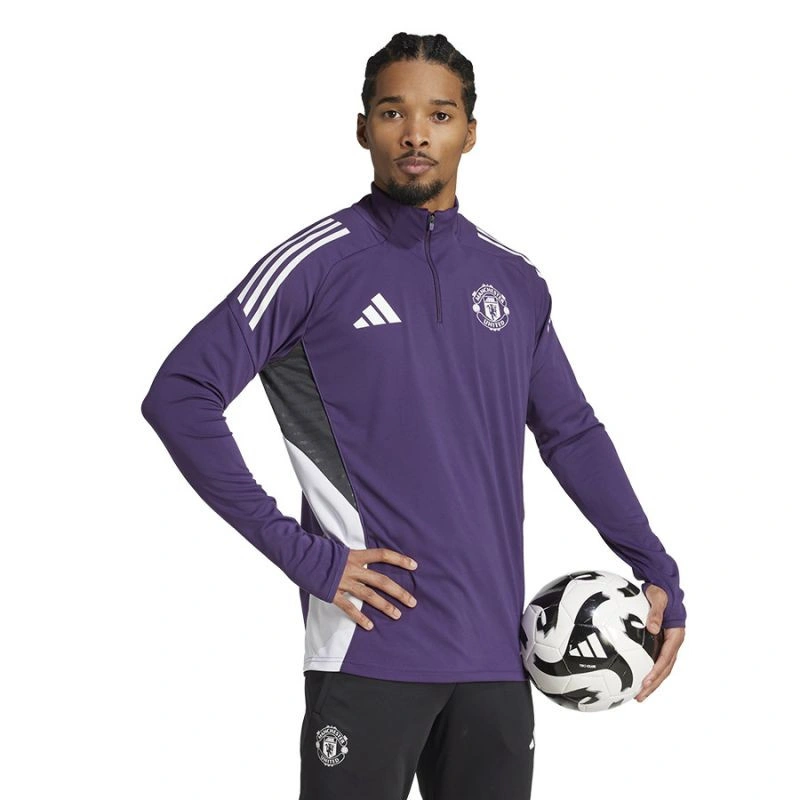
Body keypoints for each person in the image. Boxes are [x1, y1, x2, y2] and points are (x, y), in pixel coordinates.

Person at [141, 31, 686, 800]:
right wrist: (307, 557)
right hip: (368, 654)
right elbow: (180, 394)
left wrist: (657, 569)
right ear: (363, 127)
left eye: (440, 114)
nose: (416, 133)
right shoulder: (315, 265)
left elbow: (571, 434)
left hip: (497, 663)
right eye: (394, 112)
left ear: (471, 131)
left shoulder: (514, 282)